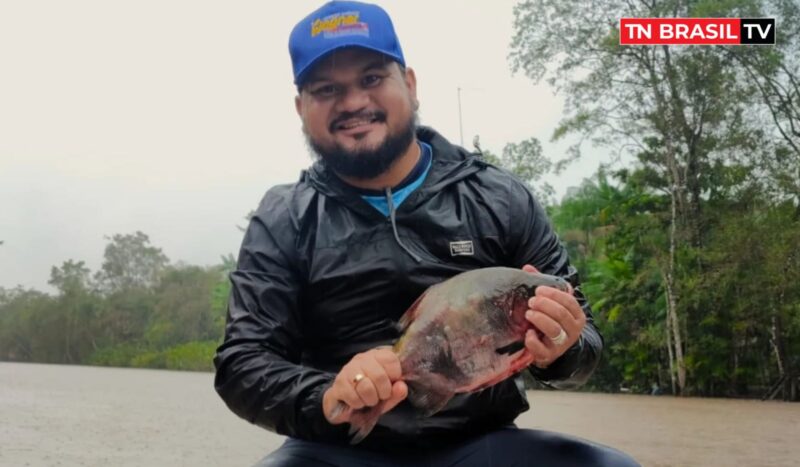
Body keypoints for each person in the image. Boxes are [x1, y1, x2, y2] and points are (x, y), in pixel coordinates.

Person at [214, 1, 640, 465]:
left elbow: (586, 346)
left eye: (372, 79)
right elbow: (243, 363)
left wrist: (561, 346)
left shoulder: (498, 197)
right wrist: (326, 395)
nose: (354, 102)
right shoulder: (285, 217)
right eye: (327, 89)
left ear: (410, 84)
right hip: (333, 449)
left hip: (481, 445)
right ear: (301, 107)